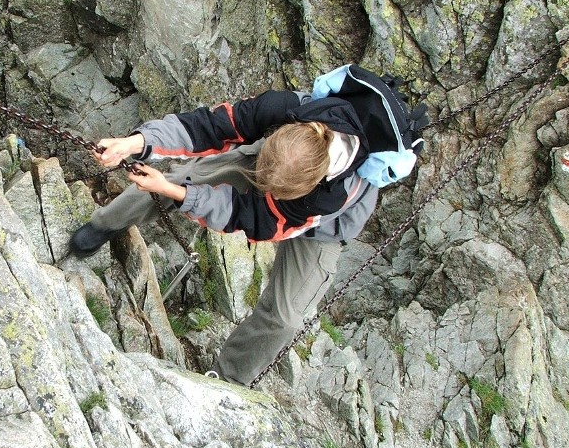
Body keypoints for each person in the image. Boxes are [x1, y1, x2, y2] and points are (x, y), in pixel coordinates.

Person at [68, 86, 380, 386]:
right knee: (188, 177)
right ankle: (104, 224)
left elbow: (251, 219)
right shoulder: (283, 109)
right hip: (276, 163)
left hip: (323, 229)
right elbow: (207, 126)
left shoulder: (329, 198)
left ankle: (228, 378)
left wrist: (173, 192)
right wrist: (137, 142)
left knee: (285, 317)